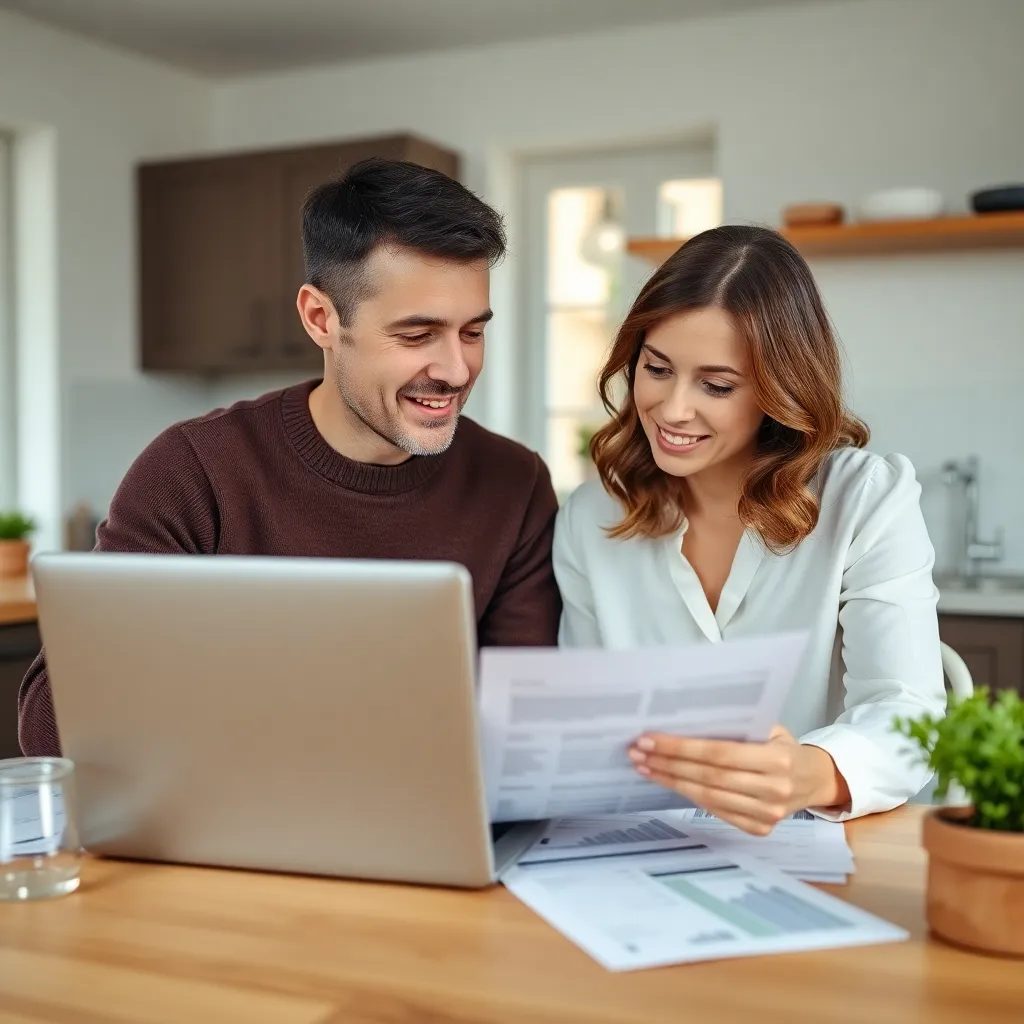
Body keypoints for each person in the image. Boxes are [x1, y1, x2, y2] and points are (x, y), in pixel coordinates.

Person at [20, 158, 561, 757]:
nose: (457, 370)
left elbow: (524, 729)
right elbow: (51, 730)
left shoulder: (514, 484)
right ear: (320, 318)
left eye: (472, 332)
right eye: (416, 335)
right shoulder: (194, 469)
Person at [554, 225, 945, 835]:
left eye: (716, 385)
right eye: (657, 369)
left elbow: (907, 710)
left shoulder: (864, 497)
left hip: (814, 844)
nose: (674, 408)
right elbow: (580, 722)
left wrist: (808, 772)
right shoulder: (590, 516)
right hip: (639, 848)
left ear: (778, 389)